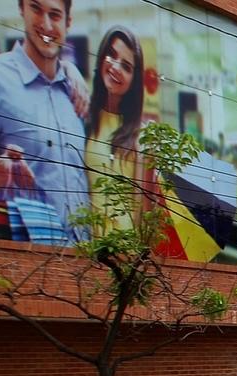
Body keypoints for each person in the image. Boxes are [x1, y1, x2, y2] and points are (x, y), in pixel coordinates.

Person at [0, 0, 92, 232]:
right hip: (23, 262)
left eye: (55, 15)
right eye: (36, 9)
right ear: (22, 10)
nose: (46, 24)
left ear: (68, 22)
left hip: (84, 259)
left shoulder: (75, 93)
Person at [84, 26, 146, 229]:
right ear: (102, 56)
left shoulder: (140, 136)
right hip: (86, 246)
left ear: (134, 81)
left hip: (123, 250)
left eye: (127, 66)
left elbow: (140, 211)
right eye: (111, 55)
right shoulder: (84, 118)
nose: (116, 67)